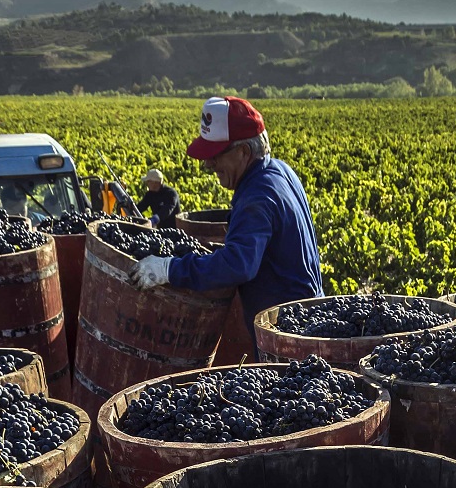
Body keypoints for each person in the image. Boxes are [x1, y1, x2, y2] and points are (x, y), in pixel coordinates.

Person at [128, 96, 324, 348]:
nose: (208, 164)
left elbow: (238, 265)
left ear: (243, 152)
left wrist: (169, 269)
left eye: (215, 155)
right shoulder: (278, 171)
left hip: (288, 335)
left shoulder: (258, 196)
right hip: (306, 318)